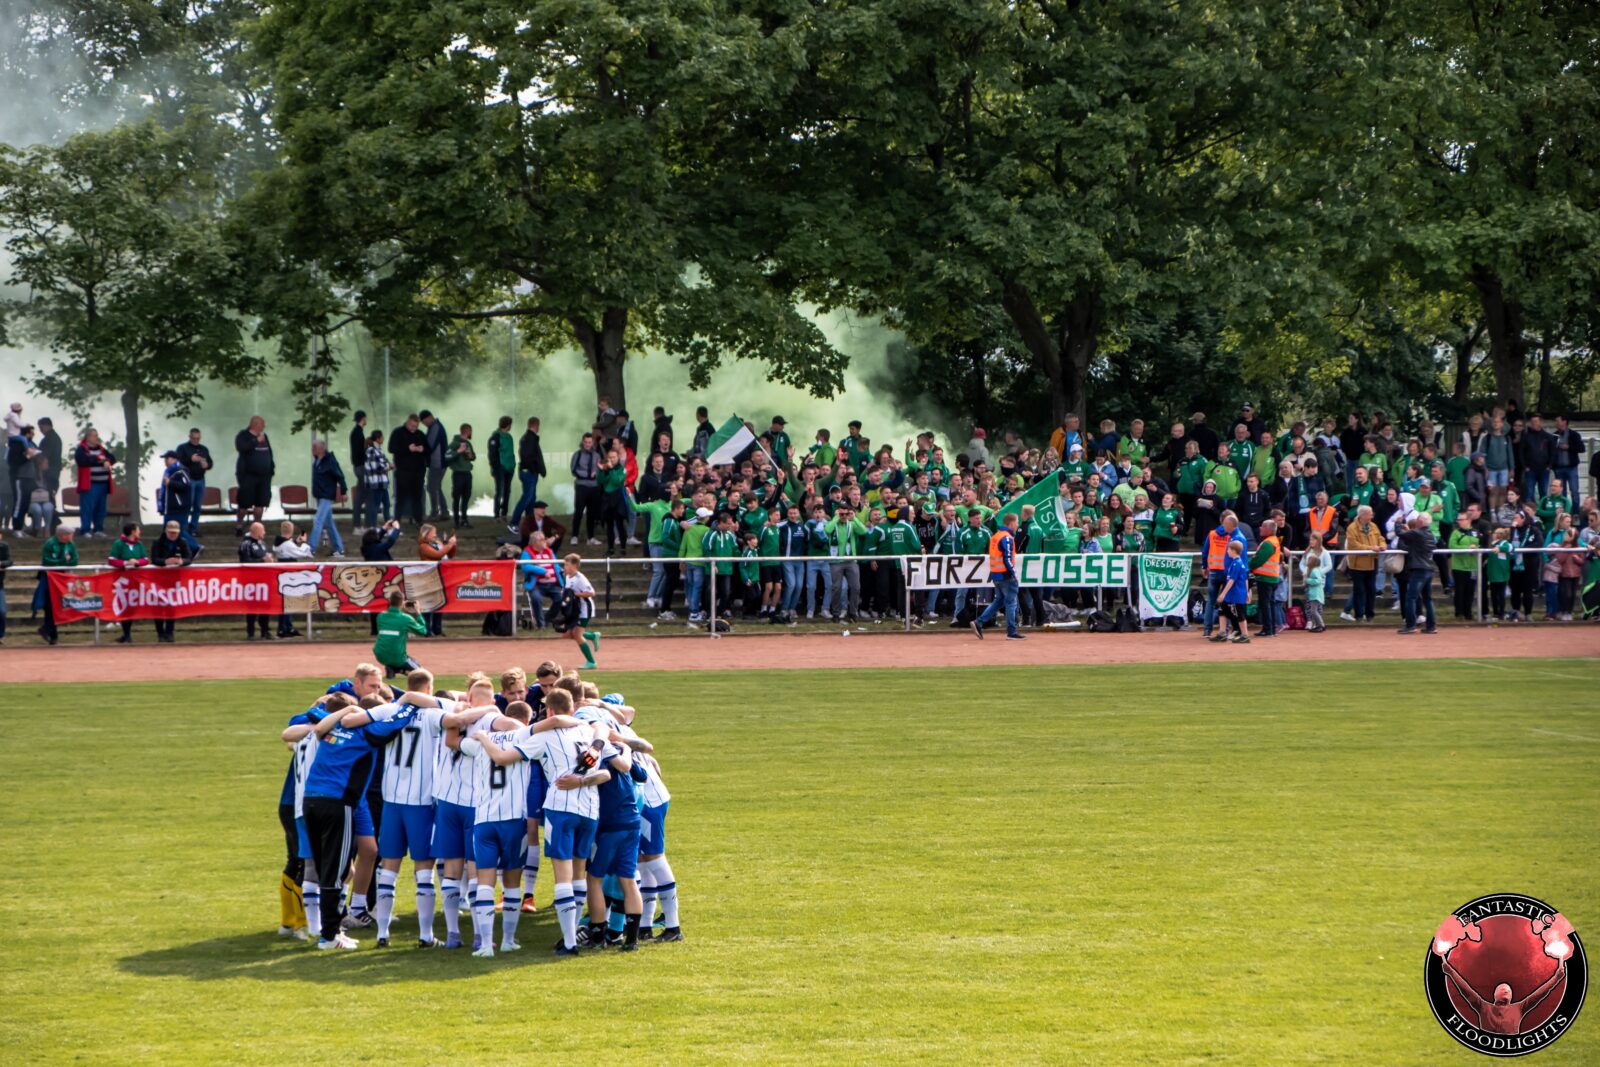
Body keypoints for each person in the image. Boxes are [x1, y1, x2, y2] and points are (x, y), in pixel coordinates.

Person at [465, 688, 612, 957]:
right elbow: (607, 769)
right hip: (591, 809)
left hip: (560, 808)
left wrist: (484, 738)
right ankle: (572, 934)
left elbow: (502, 757)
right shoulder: (590, 731)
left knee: (563, 875)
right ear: (572, 708)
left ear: (550, 711)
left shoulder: (543, 737)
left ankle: (569, 942)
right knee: (579, 872)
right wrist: (584, 774)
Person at [298, 696, 418, 950]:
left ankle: (331, 930)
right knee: (336, 870)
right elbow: (398, 722)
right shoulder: (369, 732)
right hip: (338, 804)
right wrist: (410, 702)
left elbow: (314, 714)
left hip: (310, 801)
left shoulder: (333, 726)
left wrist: (345, 709)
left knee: (325, 867)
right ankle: (329, 936)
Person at [972, 511, 1022, 640]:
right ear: (1011, 523)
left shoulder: (996, 536)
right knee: (1011, 603)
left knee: (999, 600)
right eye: (1016, 522)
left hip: (996, 573)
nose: (1018, 524)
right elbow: (1007, 558)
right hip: (1005, 575)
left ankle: (979, 622)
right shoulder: (1007, 538)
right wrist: (1014, 574)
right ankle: (1011, 631)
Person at [1202, 512, 1246, 638]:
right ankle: (1225, 629)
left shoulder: (1212, 534)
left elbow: (1205, 552)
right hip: (1228, 572)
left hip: (1214, 570)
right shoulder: (1232, 535)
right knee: (1227, 601)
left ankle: (1207, 629)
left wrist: (1204, 566)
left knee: (1211, 601)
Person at [149, 519, 193, 643]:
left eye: (175, 533)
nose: (173, 535)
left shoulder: (182, 542)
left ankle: (169, 632)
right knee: (158, 607)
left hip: (174, 579)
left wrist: (181, 561)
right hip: (159, 578)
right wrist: (165, 562)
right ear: (166, 531)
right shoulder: (158, 542)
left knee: (171, 606)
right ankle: (160, 633)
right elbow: (154, 559)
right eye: (171, 532)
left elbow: (189, 557)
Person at [553, 553, 600, 668]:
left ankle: (591, 662)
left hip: (584, 609)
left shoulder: (580, 578)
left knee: (577, 635)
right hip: (575, 609)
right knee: (566, 634)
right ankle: (592, 636)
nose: (564, 567)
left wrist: (575, 594)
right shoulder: (568, 576)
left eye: (567, 564)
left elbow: (591, 593)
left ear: (574, 565)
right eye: (564, 564)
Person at [106, 522, 150, 643]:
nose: (139, 532)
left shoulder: (139, 544)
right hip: (122, 579)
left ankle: (126, 634)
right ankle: (126, 633)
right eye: (138, 530)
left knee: (131, 605)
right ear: (133, 532)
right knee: (123, 604)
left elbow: (146, 559)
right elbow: (111, 560)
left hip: (135, 579)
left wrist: (137, 562)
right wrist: (126, 563)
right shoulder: (118, 544)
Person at [1396, 513, 1438, 635]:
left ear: (1420, 521)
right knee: (1428, 599)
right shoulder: (1430, 534)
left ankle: (1410, 625)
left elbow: (1400, 533)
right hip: (1429, 568)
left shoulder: (1418, 533)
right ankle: (1431, 626)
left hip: (1419, 569)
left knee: (1411, 598)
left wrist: (1398, 523)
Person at [1341, 505, 1384, 622]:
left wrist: (1382, 545)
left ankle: (1370, 614)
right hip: (1357, 565)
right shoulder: (1351, 528)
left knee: (1371, 590)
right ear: (1362, 515)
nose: (1372, 516)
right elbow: (1354, 544)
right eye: (1370, 514)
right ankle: (1359, 615)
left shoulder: (1373, 526)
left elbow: (1380, 538)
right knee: (1359, 590)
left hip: (1372, 562)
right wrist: (1370, 548)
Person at [234, 415, 275, 534]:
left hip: (264, 476)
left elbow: (269, 452)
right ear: (255, 424)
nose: (264, 426)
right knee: (244, 502)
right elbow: (241, 448)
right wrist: (256, 441)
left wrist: (271, 468)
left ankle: (257, 526)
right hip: (248, 475)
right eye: (262, 424)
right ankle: (239, 525)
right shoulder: (243, 435)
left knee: (260, 502)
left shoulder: (264, 436)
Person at [36, 525, 76, 645]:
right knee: (49, 606)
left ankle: (48, 630)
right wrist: (63, 561)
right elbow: (47, 561)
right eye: (69, 534)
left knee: (57, 605)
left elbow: (75, 560)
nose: (72, 536)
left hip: (62, 578)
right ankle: (51, 633)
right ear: (63, 535)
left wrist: (65, 562)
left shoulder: (71, 544)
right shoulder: (50, 544)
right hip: (49, 578)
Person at [373, 591, 428, 676]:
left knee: (392, 651)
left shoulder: (381, 616)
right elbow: (423, 631)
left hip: (380, 655)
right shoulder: (406, 619)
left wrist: (401, 609)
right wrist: (418, 612)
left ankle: (391, 668)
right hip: (397, 657)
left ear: (389, 601)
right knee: (422, 675)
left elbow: (393, 622)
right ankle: (398, 668)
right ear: (402, 602)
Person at [308, 440, 348, 558]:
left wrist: (343, 491)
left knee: (318, 520)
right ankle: (338, 549)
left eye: (315, 447)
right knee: (329, 523)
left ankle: (311, 549)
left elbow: (340, 476)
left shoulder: (330, 461)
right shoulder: (317, 461)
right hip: (320, 495)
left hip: (326, 495)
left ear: (322, 449)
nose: (313, 449)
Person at [73, 428, 115, 537]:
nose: (96, 438)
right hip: (90, 484)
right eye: (94, 435)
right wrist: (98, 459)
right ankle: (85, 530)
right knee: (87, 508)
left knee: (101, 508)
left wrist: (107, 461)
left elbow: (112, 458)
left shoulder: (101, 449)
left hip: (103, 483)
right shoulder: (81, 449)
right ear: (88, 437)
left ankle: (98, 529)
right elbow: (82, 461)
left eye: (97, 435)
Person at [416, 523, 456, 636]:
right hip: (429, 578)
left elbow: (449, 554)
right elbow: (438, 555)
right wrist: (449, 545)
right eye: (433, 533)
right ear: (426, 534)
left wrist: (452, 545)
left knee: (440, 603)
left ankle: (437, 629)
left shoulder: (437, 543)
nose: (435, 535)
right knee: (429, 604)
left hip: (441, 576)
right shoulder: (423, 546)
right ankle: (427, 630)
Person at [389, 413, 428, 525]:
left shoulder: (420, 434)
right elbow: (391, 448)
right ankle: (397, 521)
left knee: (417, 498)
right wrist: (407, 449)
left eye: (416, 426)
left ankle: (419, 521)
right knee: (400, 498)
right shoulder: (398, 433)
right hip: (403, 472)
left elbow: (428, 450)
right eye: (412, 426)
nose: (413, 429)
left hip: (418, 472)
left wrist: (422, 449)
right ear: (407, 422)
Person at [174, 428, 212, 542]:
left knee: (197, 506)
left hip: (200, 479)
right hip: (188, 479)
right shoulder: (182, 448)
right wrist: (191, 459)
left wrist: (207, 465)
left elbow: (210, 462)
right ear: (189, 437)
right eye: (194, 438)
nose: (196, 440)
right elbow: (178, 463)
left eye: (198, 438)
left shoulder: (204, 449)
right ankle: (183, 529)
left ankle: (193, 529)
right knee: (187, 505)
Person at [238, 521, 275, 640]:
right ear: (257, 531)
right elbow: (246, 561)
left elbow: (265, 557)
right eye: (262, 530)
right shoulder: (246, 544)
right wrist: (262, 561)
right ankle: (251, 633)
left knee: (265, 606)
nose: (264, 532)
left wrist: (269, 560)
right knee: (252, 606)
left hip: (264, 580)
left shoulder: (262, 544)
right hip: (251, 581)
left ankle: (265, 631)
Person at [1246, 518, 1282, 638]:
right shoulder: (1274, 541)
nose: (1260, 528)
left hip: (1265, 578)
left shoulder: (1268, 543)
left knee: (1265, 604)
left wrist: (1247, 565)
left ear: (1268, 529)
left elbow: (1258, 560)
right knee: (1270, 604)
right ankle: (1271, 629)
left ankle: (1268, 629)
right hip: (1272, 577)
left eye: (1262, 526)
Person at [509, 417, 546, 529]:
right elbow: (528, 457)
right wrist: (535, 468)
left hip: (528, 472)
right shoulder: (530, 439)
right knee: (526, 498)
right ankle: (514, 523)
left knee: (531, 499)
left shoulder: (527, 438)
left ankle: (530, 524)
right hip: (529, 473)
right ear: (536, 425)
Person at [1446, 512, 1482, 619]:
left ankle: (1468, 613)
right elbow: (1452, 546)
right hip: (1459, 567)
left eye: (1461, 519)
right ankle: (1459, 613)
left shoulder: (1476, 532)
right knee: (1459, 591)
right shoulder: (1455, 533)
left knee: (1470, 591)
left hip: (1472, 567)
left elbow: (1481, 545)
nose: (1459, 522)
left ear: (1468, 520)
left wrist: (1476, 548)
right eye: (1458, 520)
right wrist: (1467, 548)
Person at [1216, 537, 1251, 643]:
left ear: (1233, 550)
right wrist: (1247, 592)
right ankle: (1222, 633)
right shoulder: (1237, 562)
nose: (1227, 551)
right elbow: (1245, 579)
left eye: (1228, 549)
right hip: (1233, 594)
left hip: (1236, 594)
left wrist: (1223, 594)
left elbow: (1232, 580)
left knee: (1239, 614)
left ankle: (1245, 635)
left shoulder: (1237, 563)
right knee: (1222, 610)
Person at [419, 410, 448, 521]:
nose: (424, 424)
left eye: (424, 421)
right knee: (436, 487)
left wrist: (420, 450)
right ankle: (444, 512)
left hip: (437, 463)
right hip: (439, 462)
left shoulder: (435, 428)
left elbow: (430, 445)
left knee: (432, 487)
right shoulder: (435, 427)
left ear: (429, 417)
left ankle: (434, 512)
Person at [447, 423, 475, 528]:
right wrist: (459, 451)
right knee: (457, 497)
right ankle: (456, 520)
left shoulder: (468, 444)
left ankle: (464, 519)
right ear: (466, 431)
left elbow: (473, 457)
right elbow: (447, 456)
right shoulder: (454, 443)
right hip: (458, 473)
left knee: (466, 497)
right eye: (470, 431)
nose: (471, 433)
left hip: (467, 473)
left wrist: (470, 455)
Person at [362, 430, 392, 528]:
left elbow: (383, 462)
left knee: (387, 505)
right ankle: (373, 526)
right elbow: (377, 467)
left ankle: (388, 526)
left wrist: (387, 465)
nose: (383, 439)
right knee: (375, 505)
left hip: (382, 483)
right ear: (378, 438)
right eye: (382, 437)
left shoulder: (378, 450)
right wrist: (389, 466)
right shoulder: (371, 450)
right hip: (376, 483)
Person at [488, 415, 515, 520]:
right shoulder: (495, 437)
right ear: (508, 425)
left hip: (509, 467)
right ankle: (496, 514)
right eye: (510, 424)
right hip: (500, 468)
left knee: (507, 491)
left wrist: (513, 465)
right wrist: (495, 467)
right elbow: (492, 454)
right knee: (499, 491)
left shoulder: (509, 437)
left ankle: (504, 513)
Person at [1302, 535, 1331, 632]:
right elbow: (1302, 564)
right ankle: (1312, 622)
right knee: (1309, 604)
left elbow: (1329, 566)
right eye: (1310, 539)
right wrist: (1305, 572)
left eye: (1313, 539)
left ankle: (1319, 624)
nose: (1311, 541)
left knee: (1315, 607)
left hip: (1316, 588)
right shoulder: (1308, 552)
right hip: (1310, 587)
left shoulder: (1324, 553)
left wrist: (1317, 573)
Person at [347, 412, 368, 529]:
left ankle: (359, 523)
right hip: (361, 466)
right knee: (361, 495)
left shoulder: (356, 432)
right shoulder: (358, 433)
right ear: (363, 419)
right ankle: (358, 524)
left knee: (361, 494)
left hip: (358, 465)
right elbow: (360, 451)